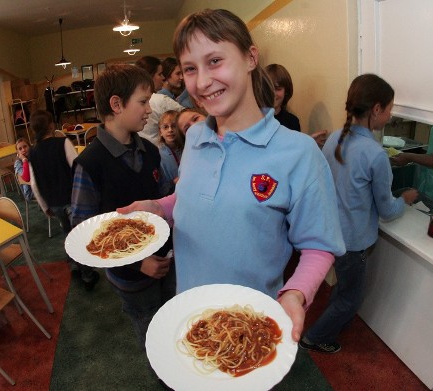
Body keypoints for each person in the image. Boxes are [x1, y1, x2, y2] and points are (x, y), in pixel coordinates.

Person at [118, 8, 345, 344]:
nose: (203, 81)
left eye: (214, 61)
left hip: (248, 325)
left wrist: (296, 293)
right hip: (188, 313)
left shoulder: (298, 153)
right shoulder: (194, 137)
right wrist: (158, 207)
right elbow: (192, 195)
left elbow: (318, 245)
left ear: (250, 57)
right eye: (190, 69)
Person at [300, 74, 419, 354]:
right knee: (351, 299)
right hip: (353, 242)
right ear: (376, 109)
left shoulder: (333, 140)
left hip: (331, 231)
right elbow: (388, 211)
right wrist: (405, 198)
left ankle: (326, 321)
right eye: (390, 108)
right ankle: (313, 338)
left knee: (344, 286)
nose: (391, 115)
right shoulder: (375, 155)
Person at [71, 64, 175, 347]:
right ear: (116, 104)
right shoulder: (90, 163)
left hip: (167, 260)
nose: (149, 111)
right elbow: (84, 232)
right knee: (152, 333)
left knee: (175, 322)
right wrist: (139, 262)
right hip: (131, 275)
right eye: (143, 102)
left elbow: (162, 199)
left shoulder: (152, 152)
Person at [27, 110, 98, 290]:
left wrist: (44, 206)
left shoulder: (32, 153)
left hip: (53, 202)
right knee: (79, 236)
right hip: (71, 199)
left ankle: (75, 265)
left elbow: (33, 184)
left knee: (68, 234)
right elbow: (77, 169)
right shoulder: (63, 143)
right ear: (51, 125)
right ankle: (87, 275)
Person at [136, 56, 184, 146]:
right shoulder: (161, 100)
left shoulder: (132, 101)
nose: (163, 77)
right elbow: (187, 116)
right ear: (149, 76)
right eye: (160, 74)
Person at [265, 63, 301, 131]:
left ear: (286, 92)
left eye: (278, 89)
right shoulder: (252, 119)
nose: (272, 93)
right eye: (268, 88)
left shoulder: (292, 122)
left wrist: (307, 140)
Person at [157, 110, 184, 195]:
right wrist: (173, 182)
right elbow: (159, 186)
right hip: (170, 195)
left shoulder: (187, 148)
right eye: (165, 127)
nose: (170, 130)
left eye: (174, 126)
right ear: (160, 132)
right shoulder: (157, 154)